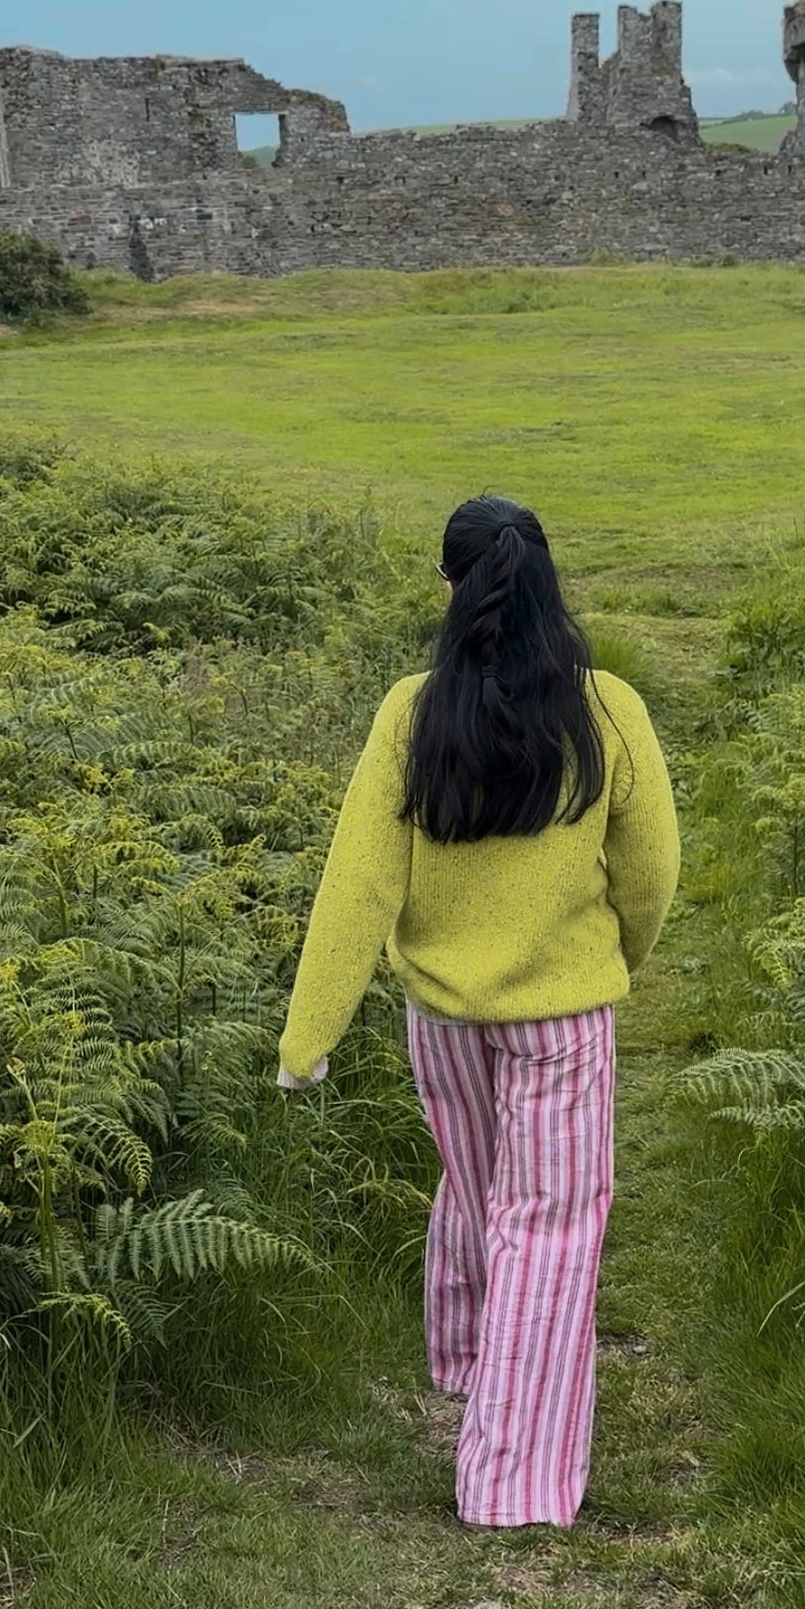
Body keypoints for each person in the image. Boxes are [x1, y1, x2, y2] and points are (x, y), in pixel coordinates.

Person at [277, 494, 680, 1527]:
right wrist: (618, 956)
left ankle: (467, 1362)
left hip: (442, 1019)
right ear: (548, 581)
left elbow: (358, 880)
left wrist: (307, 1039)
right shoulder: (609, 710)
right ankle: (512, 1483)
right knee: (548, 1225)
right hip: (563, 1017)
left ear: (455, 589)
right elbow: (651, 873)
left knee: (482, 1186)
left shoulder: (412, 711)